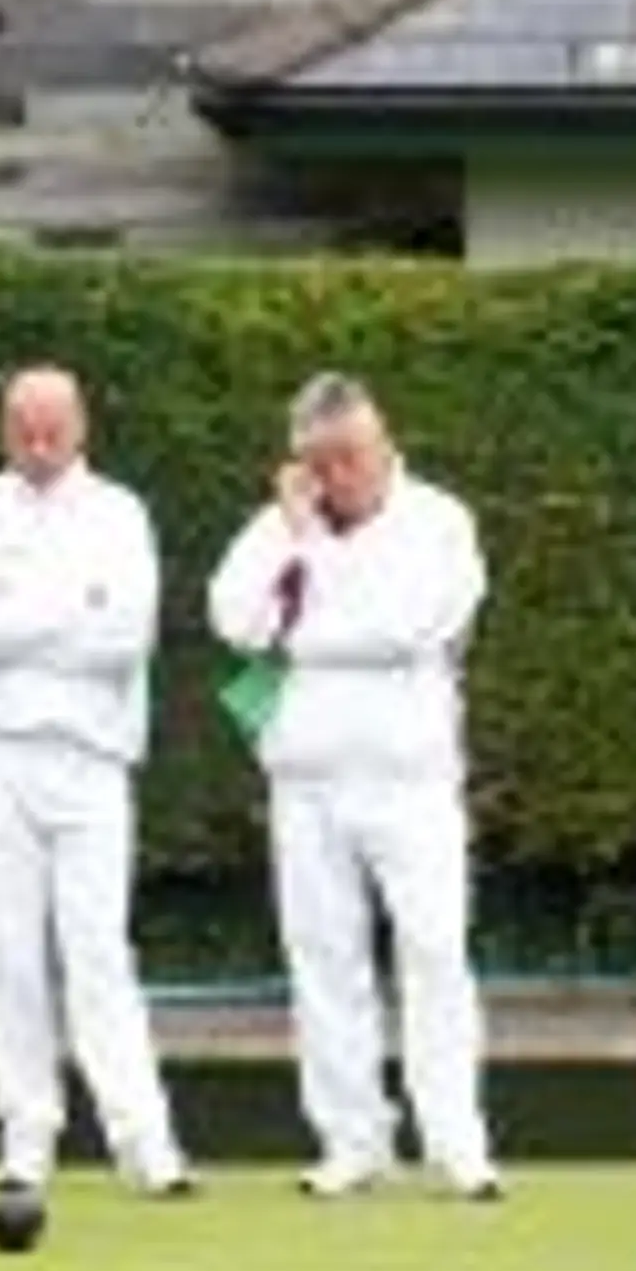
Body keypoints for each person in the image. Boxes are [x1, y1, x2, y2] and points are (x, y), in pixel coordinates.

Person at [207, 372, 503, 1202]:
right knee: (323, 959)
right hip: (306, 780)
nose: (341, 475)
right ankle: (351, 1141)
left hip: (410, 779)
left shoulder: (440, 522)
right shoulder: (277, 527)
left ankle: (457, 1143)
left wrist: (316, 583)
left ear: (382, 443)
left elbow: (404, 627)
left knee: (434, 952)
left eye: (353, 455)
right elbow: (234, 620)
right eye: (322, 461)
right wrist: (295, 539)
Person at [0, 364, 194, 1196]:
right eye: (24, 430)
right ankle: (26, 1137)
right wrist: (73, 604)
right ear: (3, 431)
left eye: (53, 429)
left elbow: (125, 637)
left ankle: (144, 1142)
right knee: (4, 948)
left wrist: (25, 614)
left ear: (81, 427)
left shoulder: (121, 513)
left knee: (99, 949)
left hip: (91, 753)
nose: (39, 445)